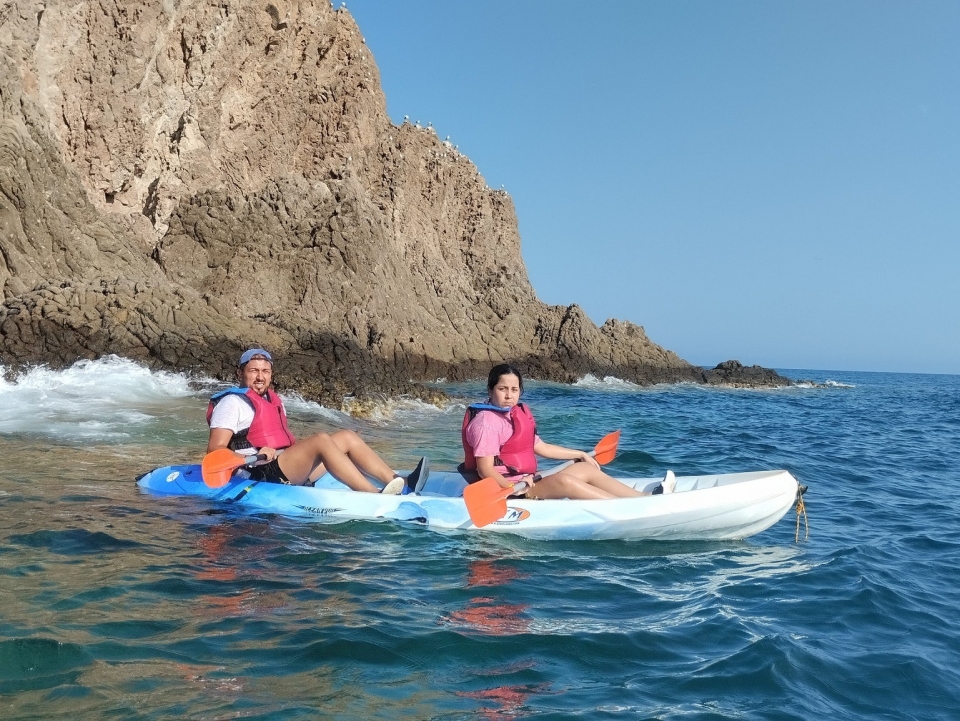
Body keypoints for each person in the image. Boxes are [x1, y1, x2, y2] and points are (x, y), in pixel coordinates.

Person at [207, 348, 427, 493]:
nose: (260, 377)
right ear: (240, 373)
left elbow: (281, 440)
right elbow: (214, 451)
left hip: (284, 464)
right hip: (259, 471)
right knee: (321, 439)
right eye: (253, 371)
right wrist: (259, 454)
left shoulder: (273, 400)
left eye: (265, 371)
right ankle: (373, 495)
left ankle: (401, 483)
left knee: (346, 436)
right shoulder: (232, 403)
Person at [461, 363, 677, 500]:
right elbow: (485, 470)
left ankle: (645, 498)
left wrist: (579, 454)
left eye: (514, 390)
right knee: (565, 482)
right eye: (502, 389)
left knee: (586, 469)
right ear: (490, 390)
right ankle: (627, 508)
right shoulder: (486, 423)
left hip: (525, 480)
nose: (509, 395)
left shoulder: (515, 414)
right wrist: (512, 486)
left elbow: (540, 447)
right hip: (507, 490)